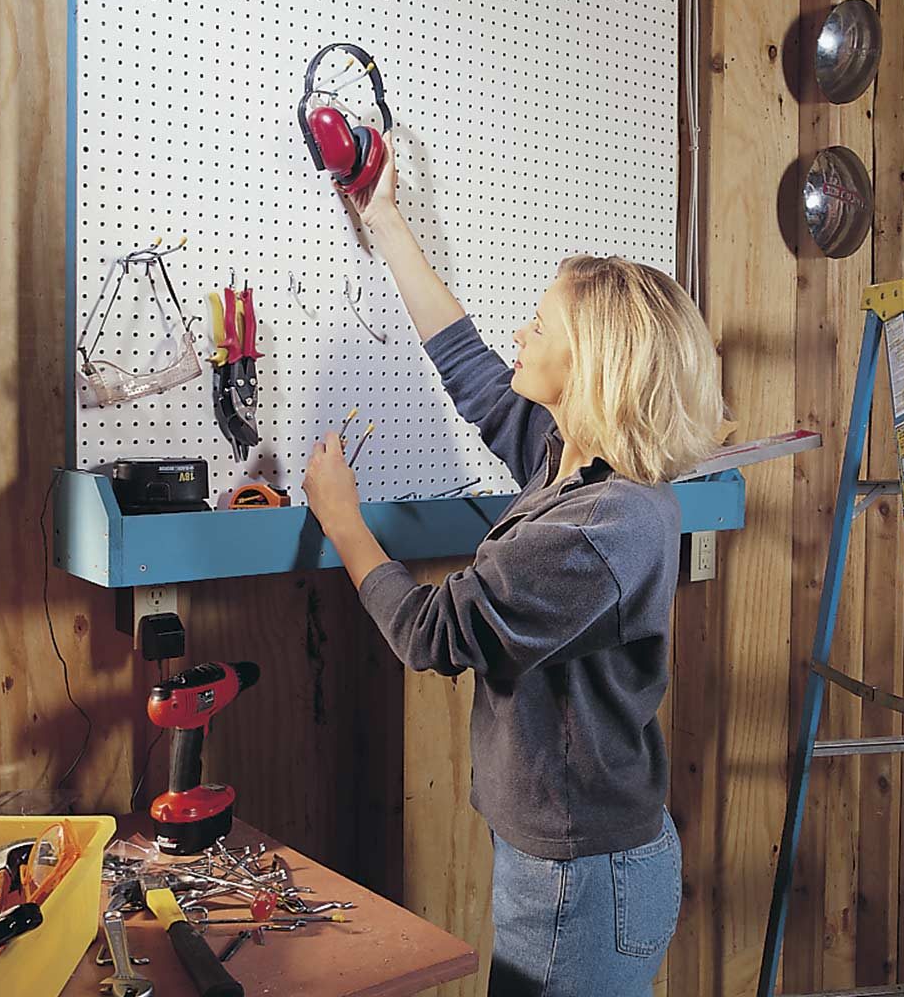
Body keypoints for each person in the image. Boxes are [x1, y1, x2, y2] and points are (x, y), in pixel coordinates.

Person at [302, 135, 724, 997]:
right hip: (563, 862)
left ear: (594, 366)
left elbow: (435, 633)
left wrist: (343, 522)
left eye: (544, 323)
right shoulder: (570, 467)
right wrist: (383, 216)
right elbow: (469, 369)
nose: (522, 330)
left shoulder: (601, 529)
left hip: (585, 877)